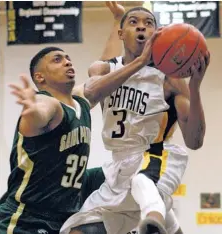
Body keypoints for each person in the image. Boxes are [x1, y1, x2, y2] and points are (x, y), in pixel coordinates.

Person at [0, 9, 162, 233]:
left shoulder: (80, 100)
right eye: (57, 60)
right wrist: (32, 109)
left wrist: (118, 23)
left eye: (68, 58)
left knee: (124, 171)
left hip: (66, 207)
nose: (67, 62)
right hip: (27, 216)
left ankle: (153, 216)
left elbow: (108, 73)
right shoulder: (47, 103)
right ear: (40, 77)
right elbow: (41, 113)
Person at [60, 5, 210, 234]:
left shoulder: (170, 80)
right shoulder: (103, 68)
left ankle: (154, 219)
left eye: (149, 23)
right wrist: (139, 62)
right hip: (118, 166)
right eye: (133, 22)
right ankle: (163, 221)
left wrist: (195, 87)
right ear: (121, 34)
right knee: (78, 230)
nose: (141, 26)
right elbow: (91, 94)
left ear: (157, 34)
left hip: (153, 153)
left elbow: (195, 142)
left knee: (143, 184)